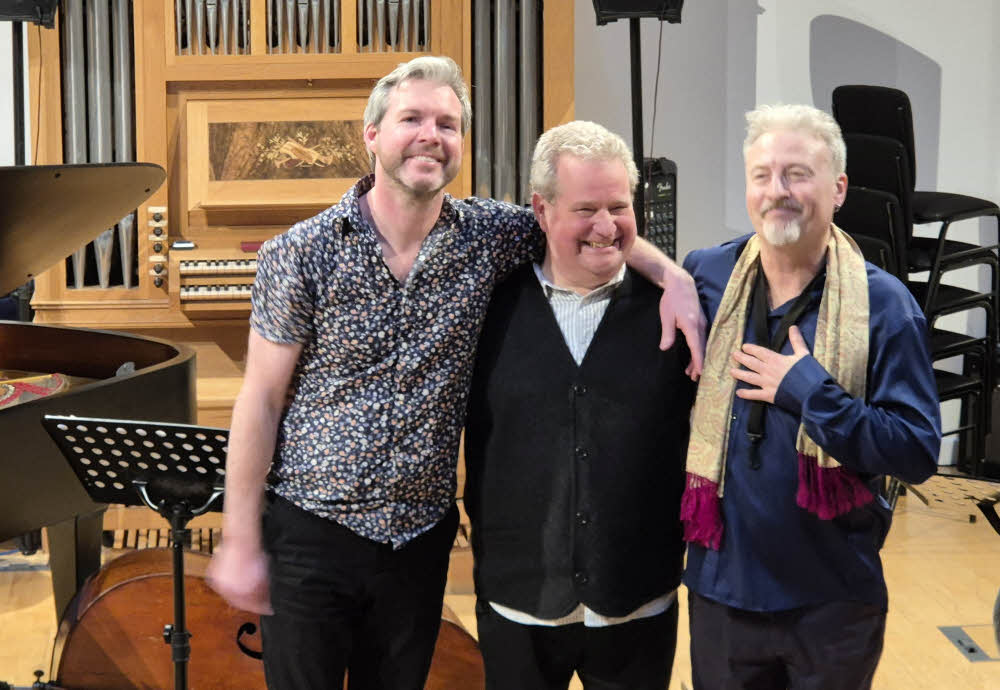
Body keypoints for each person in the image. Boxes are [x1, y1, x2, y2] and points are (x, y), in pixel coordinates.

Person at [206, 55, 705, 689]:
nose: (430, 135)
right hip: (311, 532)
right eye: (411, 118)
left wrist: (674, 276)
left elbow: (590, 223)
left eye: (447, 123)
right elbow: (261, 400)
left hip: (417, 541)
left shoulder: (488, 235)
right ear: (371, 134)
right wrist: (239, 537)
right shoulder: (301, 251)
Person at [681, 103, 941, 689]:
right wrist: (664, 275)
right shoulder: (707, 277)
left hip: (832, 602)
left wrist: (810, 393)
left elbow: (917, 451)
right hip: (723, 594)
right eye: (762, 175)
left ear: (839, 188)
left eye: (798, 173)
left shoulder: (885, 304)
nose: (779, 191)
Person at [463, 121, 695, 690]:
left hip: (637, 600)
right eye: (584, 209)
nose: (605, 227)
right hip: (518, 599)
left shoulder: (677, 311)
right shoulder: (485, 309)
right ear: (541, 211)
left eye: (619, 206)